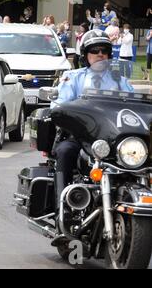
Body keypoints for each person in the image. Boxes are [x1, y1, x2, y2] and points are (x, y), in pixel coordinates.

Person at [52, 29, 133, 205]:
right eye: (94, 51)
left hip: (114, 138)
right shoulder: (73, 78)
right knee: (65, 152)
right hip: (81, 136)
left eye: (104, 51)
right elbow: (59, 106)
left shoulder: (121, 81)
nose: (100, 55)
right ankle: (62, 204)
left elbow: (133, 109)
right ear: (85, 55)